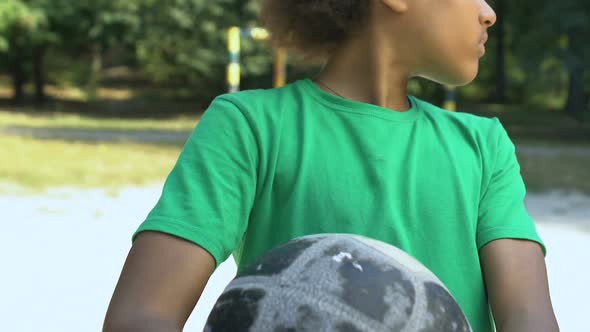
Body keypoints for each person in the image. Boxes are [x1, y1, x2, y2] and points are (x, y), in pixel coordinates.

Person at [103, 1, 559, 331]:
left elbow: (528, 317)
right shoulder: (250, 126)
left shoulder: (483, 145)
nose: (489, 12)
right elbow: (141, 315)